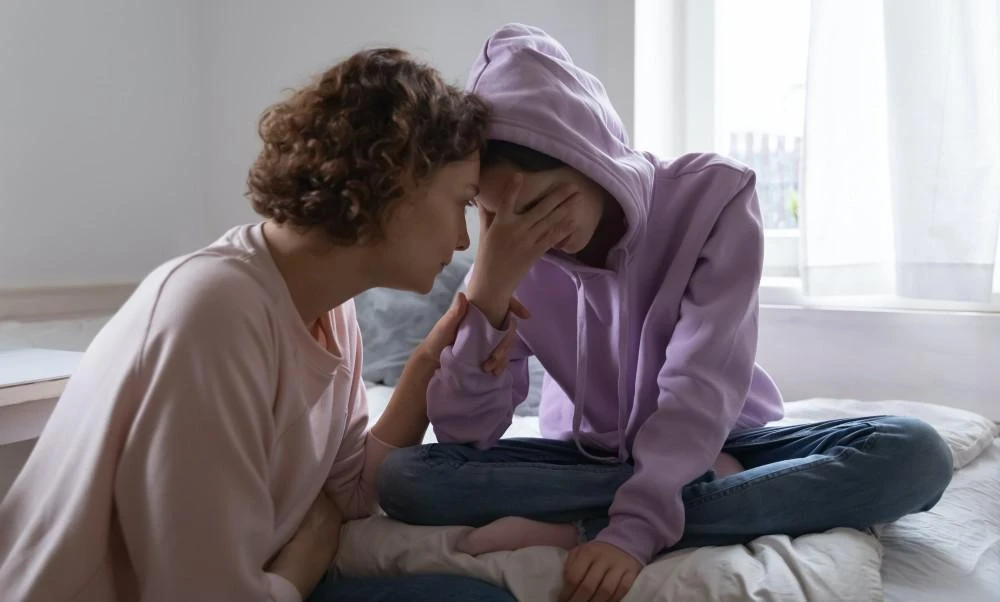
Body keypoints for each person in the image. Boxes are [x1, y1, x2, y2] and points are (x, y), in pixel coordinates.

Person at [377, 24, 955, 602]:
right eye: (495, 214)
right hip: (589, 456)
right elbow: (466, 435)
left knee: (915, 454)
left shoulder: (714, 200)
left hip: (725, 437)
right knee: (407, 480)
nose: (532, 236)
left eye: (541, 206)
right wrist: (488, 292)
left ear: (592, 161)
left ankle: (580, 525)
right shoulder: (511, 252)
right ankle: (706, 496)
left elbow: (698, 387)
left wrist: (630, 532)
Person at [0, 48, 544, 602]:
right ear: (396, 182)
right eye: (462, 203)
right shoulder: (214, 310)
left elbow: (352, 492)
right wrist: (305, 560)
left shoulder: (329, 309)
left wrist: (431, 358)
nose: (461, 239)